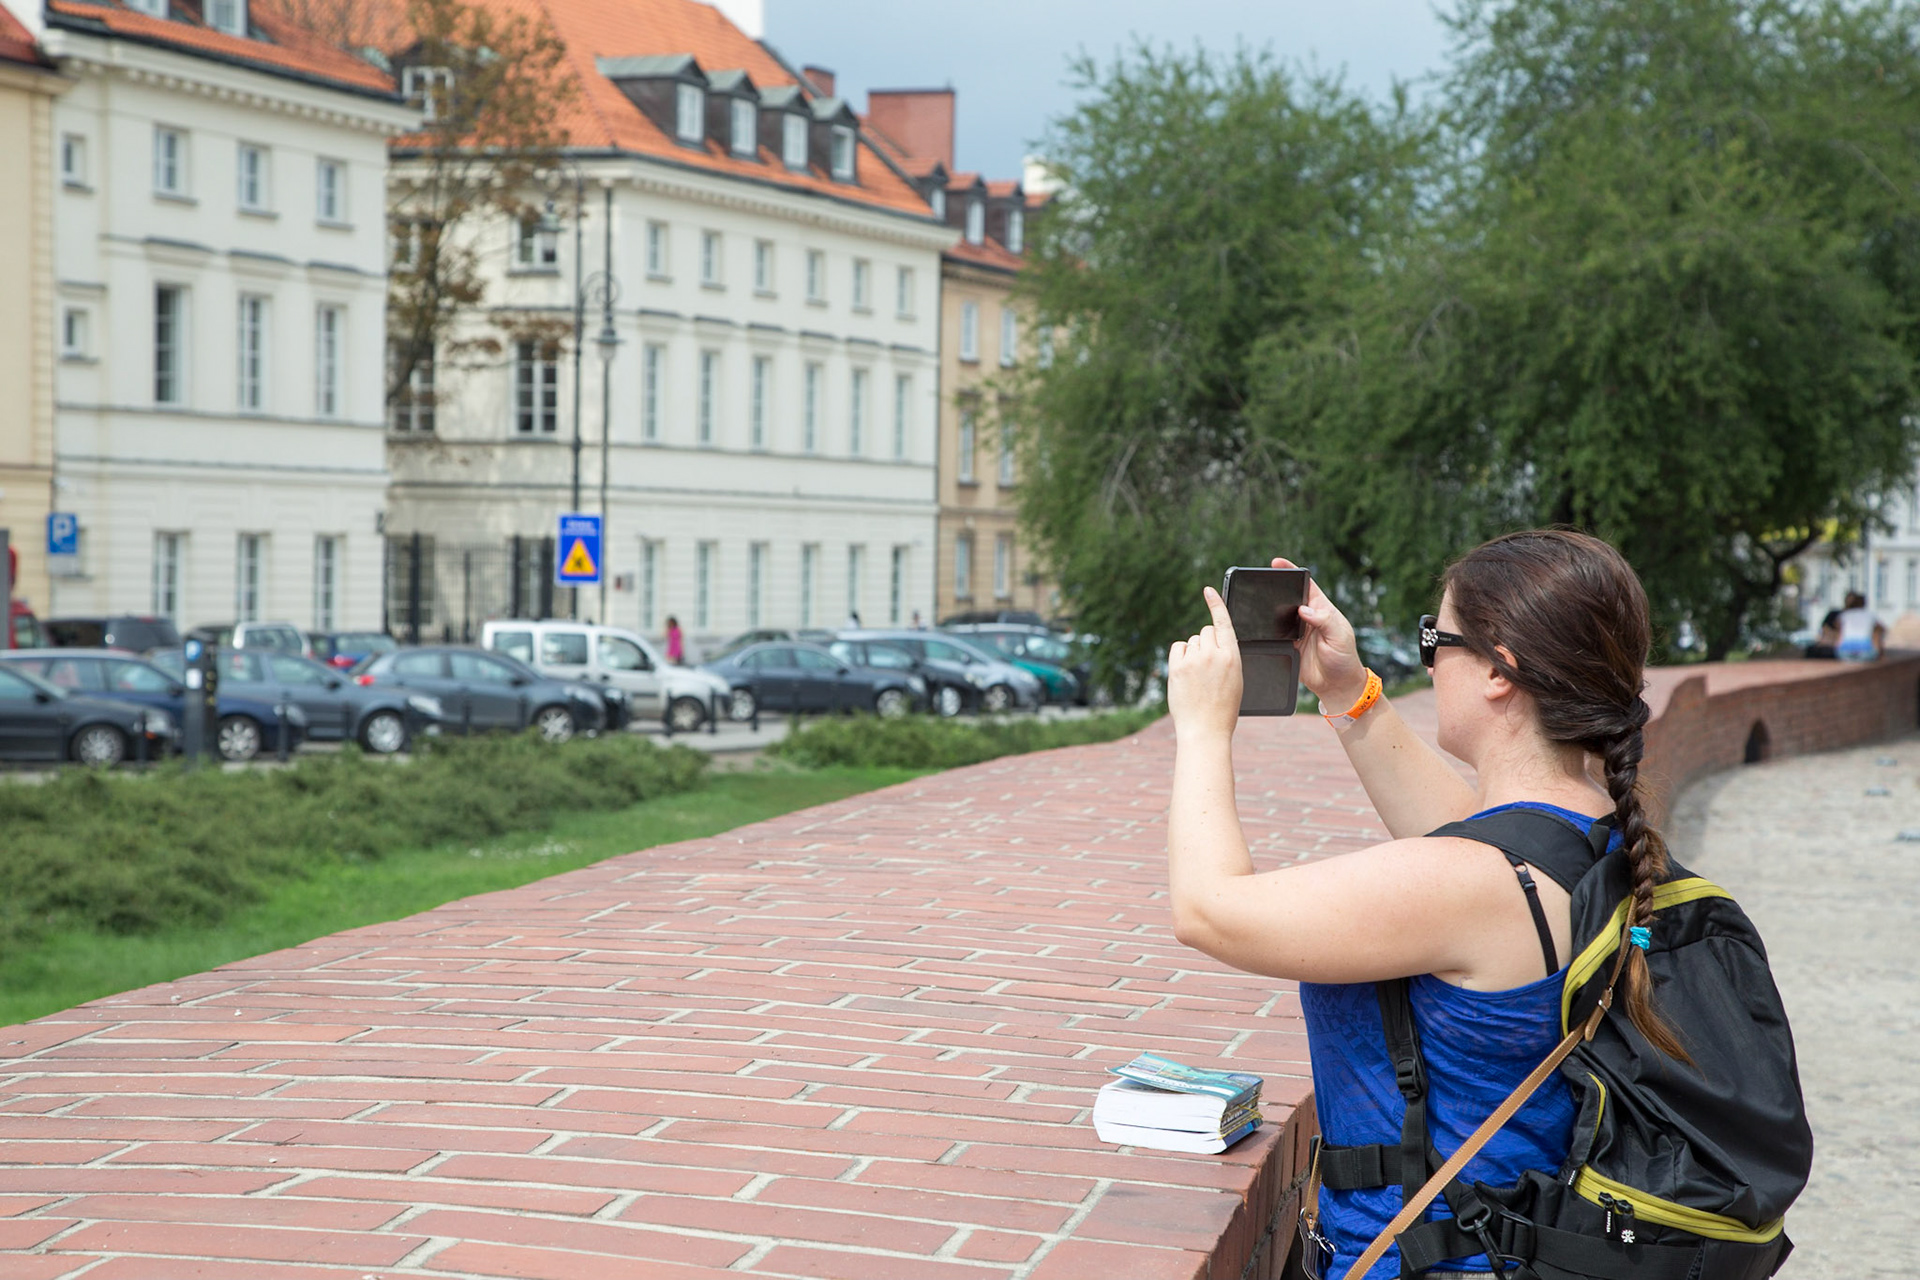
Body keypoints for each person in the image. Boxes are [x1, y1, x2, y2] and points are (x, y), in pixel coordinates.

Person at [1166, 529, 1677, 1280]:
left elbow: (1206, 910)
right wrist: (1347, 691)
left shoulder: (1472, 885)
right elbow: (1471, 835)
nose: (1428, 661)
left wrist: (1202, 727)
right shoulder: (1590, 839)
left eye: (1436, 637)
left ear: (1501, 670)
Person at [1834, 590, 1885, 661]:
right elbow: (1882, 629)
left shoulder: (1844, 615)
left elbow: (1837, 629)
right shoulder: (1869, 615)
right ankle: (1880, 655)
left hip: (1844, 652)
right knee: (1876, 632)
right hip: (1866, 652)